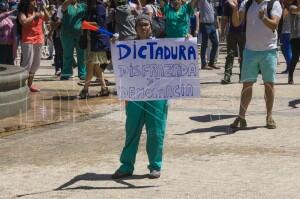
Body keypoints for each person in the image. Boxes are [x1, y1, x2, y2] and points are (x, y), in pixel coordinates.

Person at [112, 14, 168, 179]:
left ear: (151, 27)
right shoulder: (128, 47)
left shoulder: (161, 45)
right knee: (132, 131)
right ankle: (126, 165)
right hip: (135, 95)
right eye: (140, 25)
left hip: (157, 95)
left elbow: (177, 61)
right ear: (135, 28)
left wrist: (187, 42)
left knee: (156, 131)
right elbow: (116, 65)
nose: (143, 28)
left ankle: (155, 166)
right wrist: (114, 46)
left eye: (146, 25)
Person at [228, 0, 282, 129]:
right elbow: (236, 23)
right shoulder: (246, 4)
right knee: (247, 85)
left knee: (269, 84)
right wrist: (235, 9)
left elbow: (274, 25)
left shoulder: (273, 4)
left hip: (269, 50)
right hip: (250, 50)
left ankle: (269, 116)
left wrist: (263, 18)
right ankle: (241, 117)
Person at [78, 0, 110, 99]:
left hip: (97, 42)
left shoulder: (99, 7)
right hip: (92, 42)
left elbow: (98, 25)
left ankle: (85, 90)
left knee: (90, 68)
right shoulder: (89, 7)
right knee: (95, 68)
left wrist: (85, 24)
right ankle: (104, 89)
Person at [18, 0, 50, 92]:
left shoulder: (38, 12)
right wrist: (34, 16)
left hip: (39, 40)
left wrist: (44, 8)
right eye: (33, 1)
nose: (35, 2)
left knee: (35, 65)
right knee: (27, 65)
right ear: (27, 3)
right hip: (27, 40)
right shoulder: (22, 13)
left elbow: (47, 18)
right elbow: (23, 22)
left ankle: (29, 84)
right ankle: (22, 85)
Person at [60, 0, 87, 80]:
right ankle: (66, 74)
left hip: (80, 34)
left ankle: (82, 74)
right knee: (67, 55)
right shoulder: (66, 5)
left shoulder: (83, 6)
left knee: (82, 55)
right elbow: (63, 7)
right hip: (67, 34)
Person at [221, 0, 246, 84]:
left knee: (243, 55)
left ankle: (243, 75)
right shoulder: (228, 3)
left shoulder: (245, 2)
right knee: (230, 54)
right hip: (232, 32)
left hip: (244, 32)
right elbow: (224, 18)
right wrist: (222, 31)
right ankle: (227, 75)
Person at [198, 0, 220, 70]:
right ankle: (203, 64)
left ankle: (211, 62)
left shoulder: (211, 2)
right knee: (204, 45)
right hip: (205, 25)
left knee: (216, 43)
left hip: (212, 25)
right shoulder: (203, 1)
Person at [288, 0, 300, 84]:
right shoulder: (292, 7)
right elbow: (297, 10)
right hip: (295, 37)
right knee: (295, 57)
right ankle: (290, 76)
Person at [279, 0, 292, 74]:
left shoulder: (287, 9)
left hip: (286, 32)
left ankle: (290, 68)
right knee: (285, 50)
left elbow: (282, 18)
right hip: (287, 32)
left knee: (287, 51)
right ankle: (289, 67)